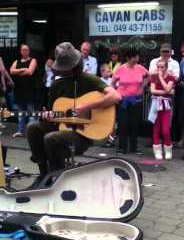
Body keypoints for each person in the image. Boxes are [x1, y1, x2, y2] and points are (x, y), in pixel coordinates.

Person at [26, 42, 121, 180]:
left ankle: (58, 178)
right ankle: (44, 174)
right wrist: (48, 117)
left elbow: (115, 96)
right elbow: (55, 116)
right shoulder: (56, 85)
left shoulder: (89, 80)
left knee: (51, 138)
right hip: (62, 128)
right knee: (32, 127)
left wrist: (87, 107)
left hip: (83, 133)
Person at [111, 47, 149, 155]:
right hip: (123, 100)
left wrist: (142, 87)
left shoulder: (141, 68)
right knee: (123, 124)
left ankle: (134, 147)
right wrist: (116, 94)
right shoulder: (120, 69)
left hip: (136, 100)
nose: (137, 58)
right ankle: (122, 147)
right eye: (135, 56)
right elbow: (113, 82)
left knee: (134, 123)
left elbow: (148, 76)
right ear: (128, 58)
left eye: (137, 56)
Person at [149, 43, 181, 145]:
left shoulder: (175, 63)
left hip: (168, 96)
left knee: (167, 119)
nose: (166, 53)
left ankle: (165, 140)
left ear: (170, 52)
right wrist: (166, 74)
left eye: (167, 51)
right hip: (157, 94)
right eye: (164, 51)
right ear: (160, 52)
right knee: (155, 118)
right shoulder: (154, 61)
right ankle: (155, 141)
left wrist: (159, 73)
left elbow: (176, 78)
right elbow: (150, 74)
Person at [149, 58, 176, 160]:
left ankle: (168, 149)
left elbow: (168, 88)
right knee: (156, 128)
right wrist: (167, 92)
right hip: (155, 104)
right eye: (158, 67)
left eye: (162, 67)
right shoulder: (153, 77)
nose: (160, 69)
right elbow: (152, 90)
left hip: (166, 105)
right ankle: (157, 150)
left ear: (166, 67)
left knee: (165, 130)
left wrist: (160, 78)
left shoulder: (170, 77)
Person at [10, 44, 37, 138]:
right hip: (19, 90)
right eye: (23, 50)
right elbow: (11, 71)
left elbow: (30, 72)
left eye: (26, 50)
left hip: (29, 89)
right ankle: (20, 131)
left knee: (31, 112)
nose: (25, 51)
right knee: (21, 113)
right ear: (21, 51)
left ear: (29, 51)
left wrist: (18, 71)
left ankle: (32, 133)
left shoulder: (33, 60)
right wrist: (23, 69)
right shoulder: (16, 61)